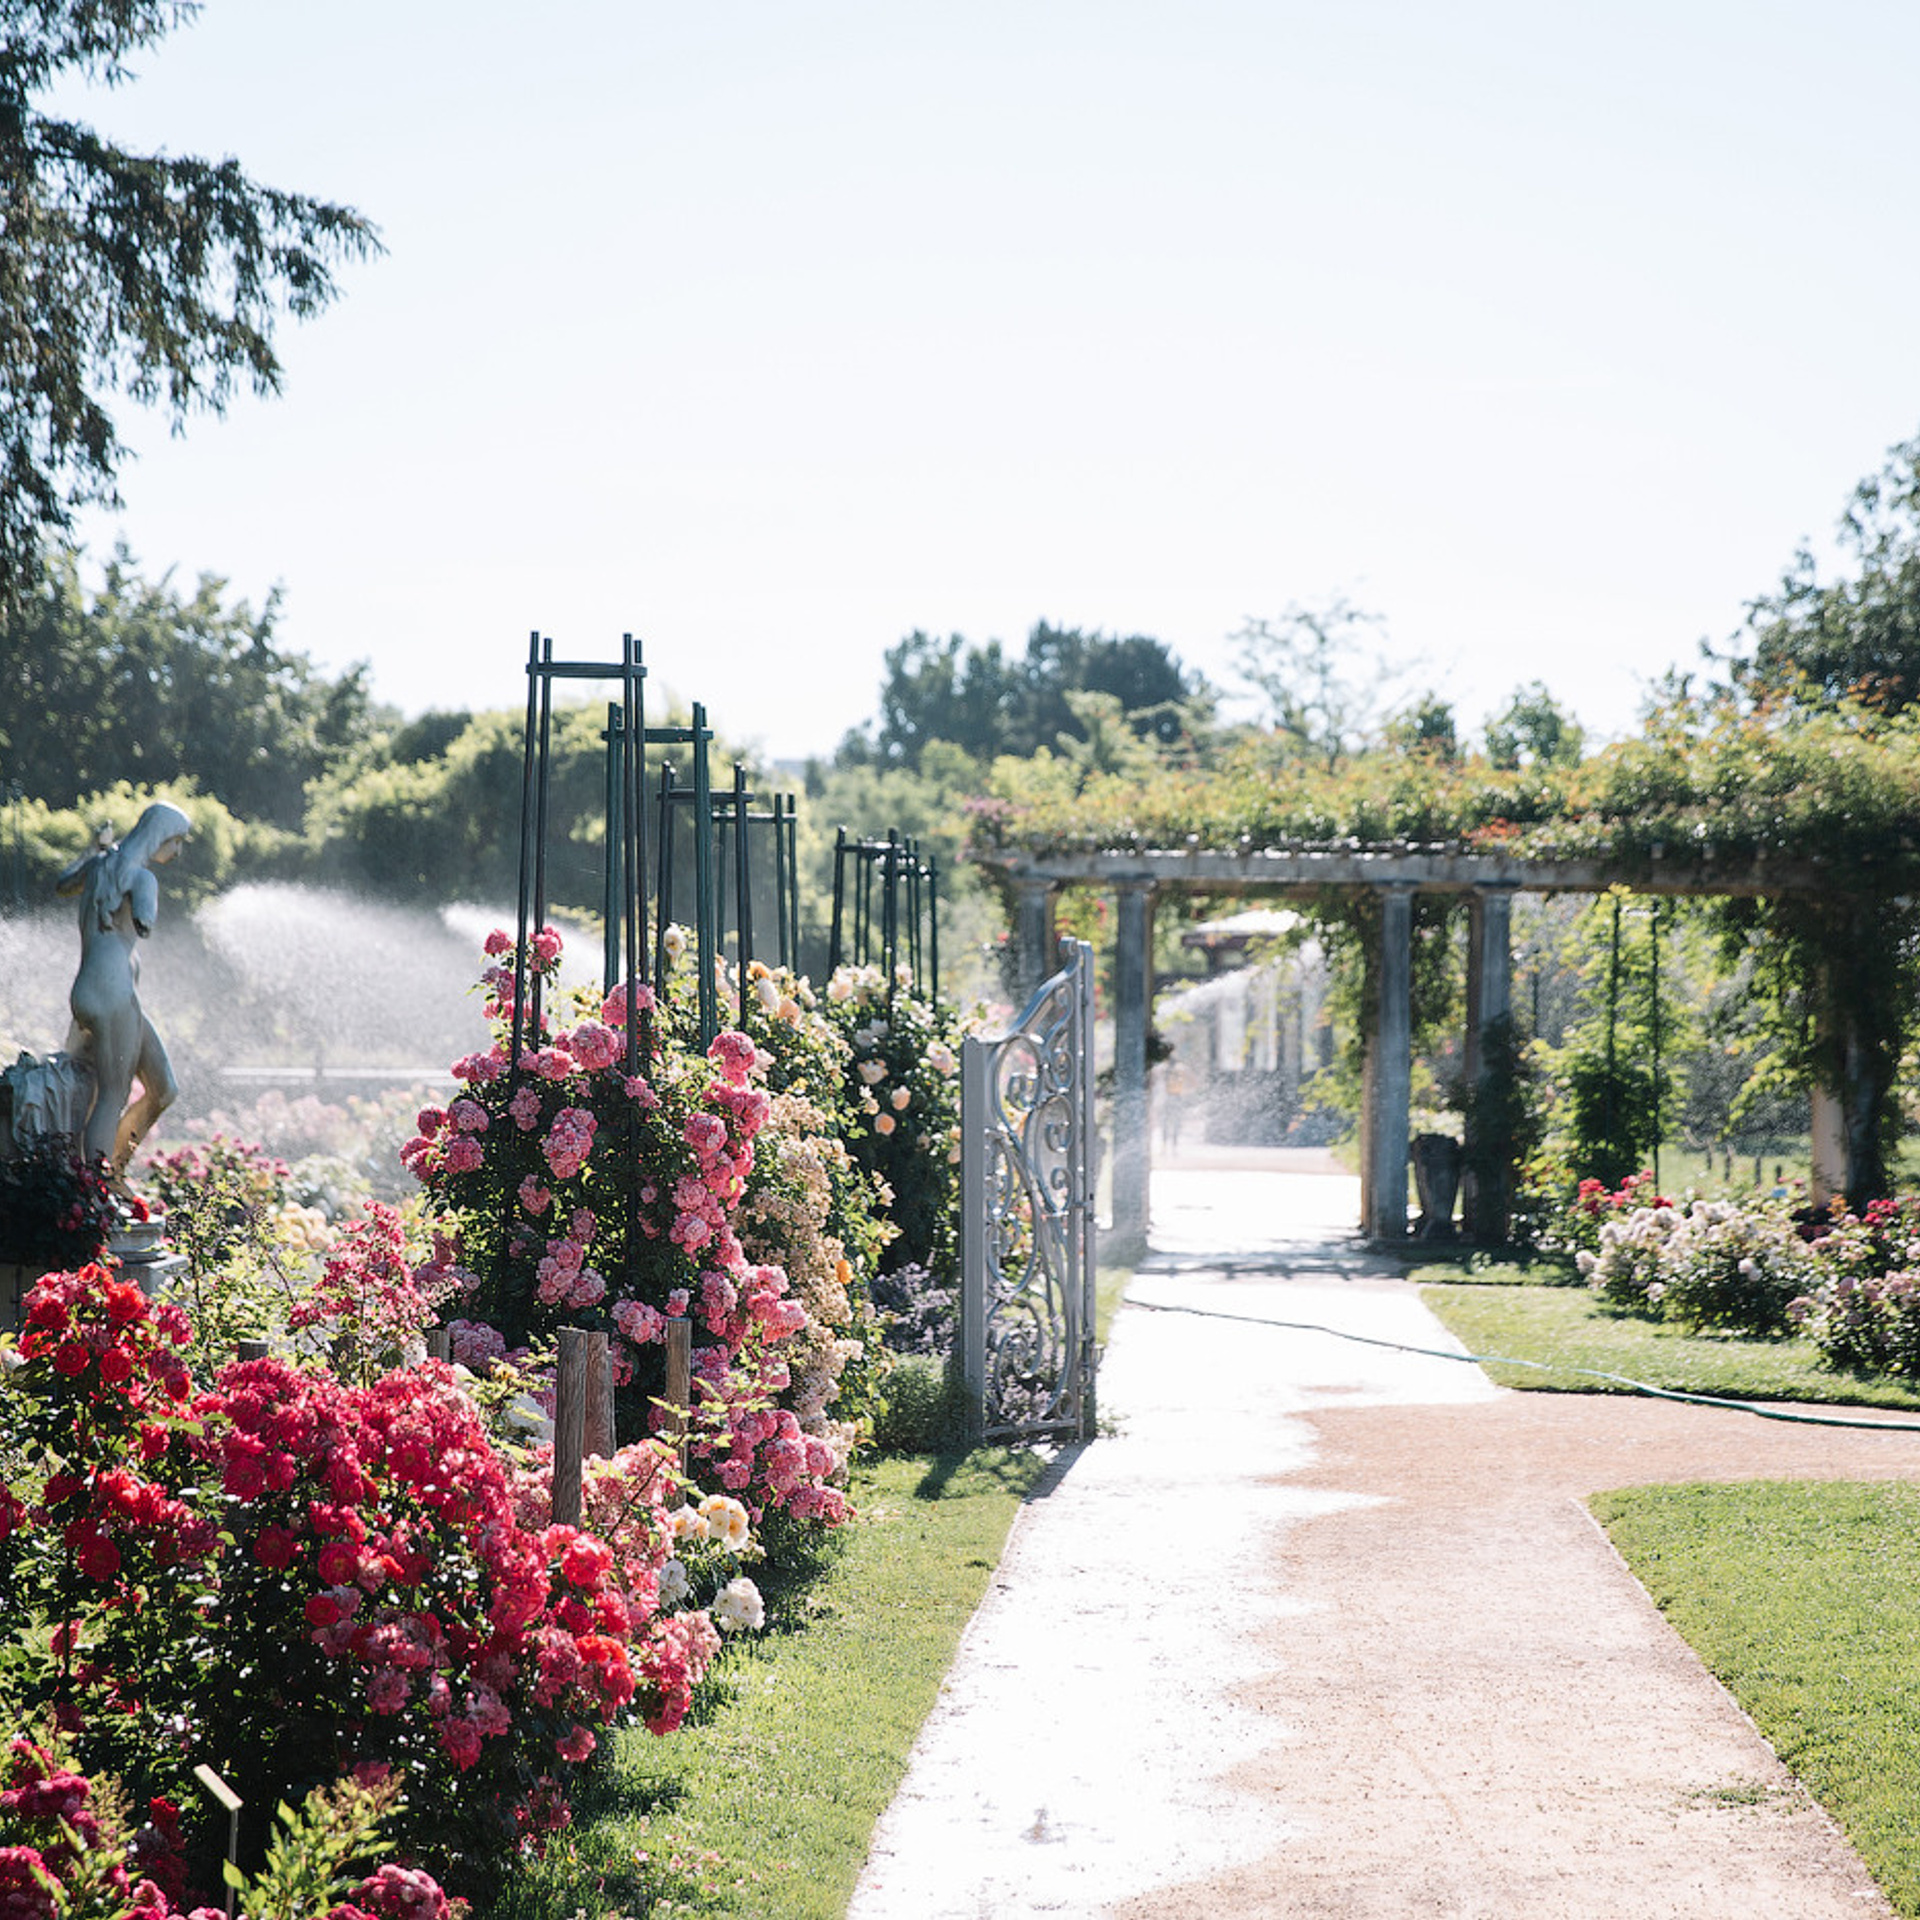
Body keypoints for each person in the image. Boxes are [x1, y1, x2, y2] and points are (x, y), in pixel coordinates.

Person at [55, 801, 191, 1180]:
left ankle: (109, 1174)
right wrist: (142, 897)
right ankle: (96, 1192)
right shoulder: (143, 878)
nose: (177, 851)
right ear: (159, 835)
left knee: (164, 1088)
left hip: (87, 992)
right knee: (111, 1094)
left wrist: (98, 852)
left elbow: (63, 884)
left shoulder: (99, 864)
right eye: (176, 841)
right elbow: (145, 922)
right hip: (114, 995)